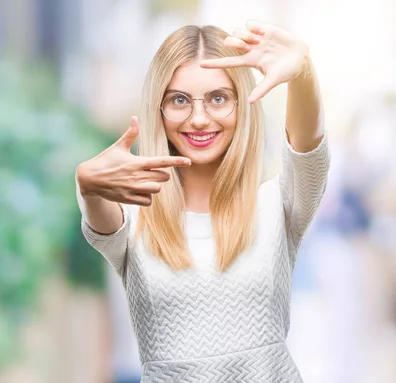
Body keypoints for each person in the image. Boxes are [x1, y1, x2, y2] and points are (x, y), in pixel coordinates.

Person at [75, 20, 330, 382]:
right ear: (158, 110)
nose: (198, 118)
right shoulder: (134, 213)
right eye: (179, 100)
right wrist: (87, 186)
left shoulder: (278, 204)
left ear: (243, 104)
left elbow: (309, 149)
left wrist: (302, 73)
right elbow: (100, 214)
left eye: (218, 98)